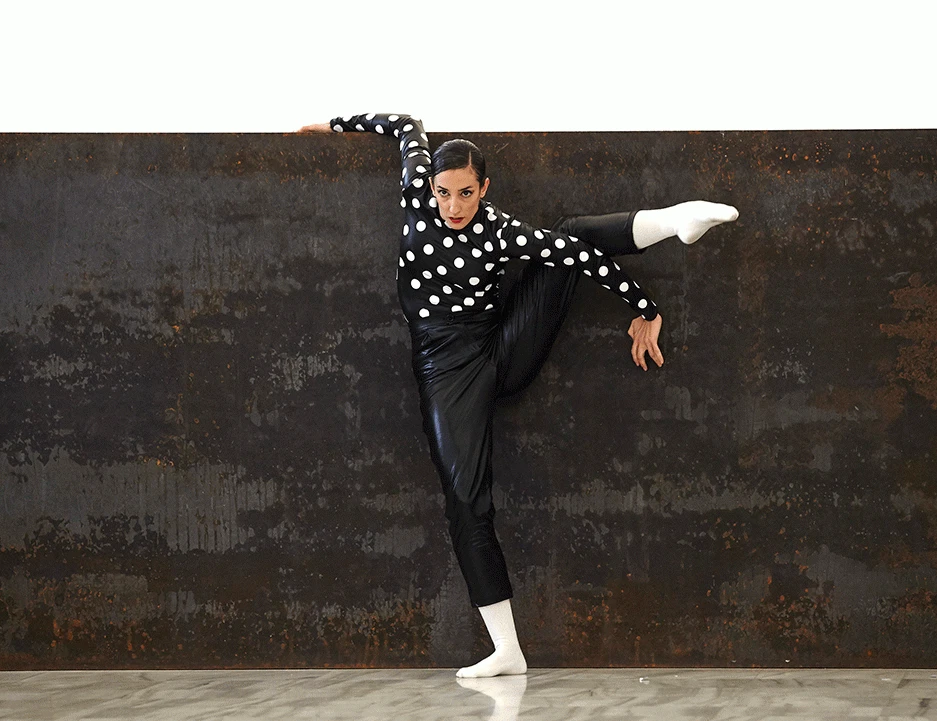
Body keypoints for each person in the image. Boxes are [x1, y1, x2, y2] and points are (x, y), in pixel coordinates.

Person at [299, 113, 738, 677]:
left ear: (484, 189)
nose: (453, 206)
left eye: (465, 193)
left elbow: (579, 260)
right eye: (444, 193)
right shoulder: (415, 193)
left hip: (502, 352)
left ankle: (675, 219)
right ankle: (508, 648)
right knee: (464, 500)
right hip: (444, 368)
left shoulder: (500, 230)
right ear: (428, 186)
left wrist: (645, 307)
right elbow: (404, 124)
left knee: (569, 232)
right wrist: (332, 127)